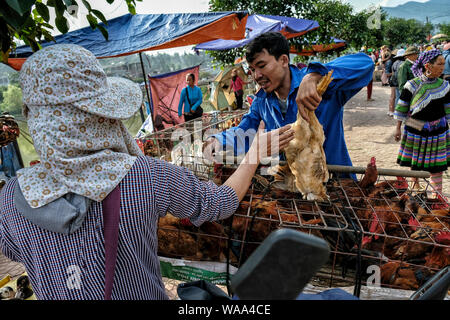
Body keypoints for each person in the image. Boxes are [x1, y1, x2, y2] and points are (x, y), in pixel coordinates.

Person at [0, 44, 295, 300]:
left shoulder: (10, 199)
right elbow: (220, 204)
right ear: (102, 113)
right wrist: (254, 153)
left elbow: (14, 252)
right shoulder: (145, 176)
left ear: (35, 118)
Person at [204, 32, 374, 171]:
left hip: (335, 185)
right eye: (253, 70)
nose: (257, 76)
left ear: (284, 60)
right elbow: (244, 132)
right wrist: (217, 140)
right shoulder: (261, 102)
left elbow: (365, 64)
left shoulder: (321, 86)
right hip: (291, 189)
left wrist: (314, 76)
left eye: (262, 66)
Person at [394, 49, 449, 197]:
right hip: (415, 126)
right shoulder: (411, 85)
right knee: (416, 159)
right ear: (428, 66)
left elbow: (448, 109)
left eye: (444, 64)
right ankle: (416, 187)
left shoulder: (445, 86)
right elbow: (402, 107)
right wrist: (398, 128)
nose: (443, 67)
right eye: (439, 64)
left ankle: (437, 195)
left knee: (437, 163)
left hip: (439, 128)